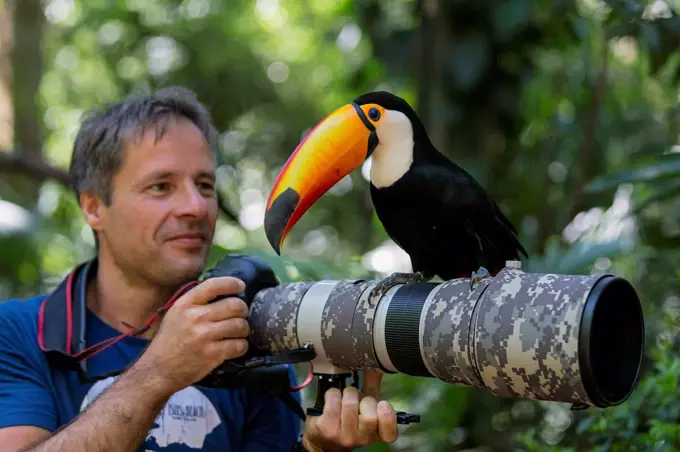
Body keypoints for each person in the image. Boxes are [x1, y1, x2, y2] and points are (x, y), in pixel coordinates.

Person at [0, 86, 399, 451]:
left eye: (205, 186)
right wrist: (160, 371)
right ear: (93, 207)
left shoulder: (248, 332)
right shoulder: (19, 333)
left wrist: (316, 448)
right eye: (161, 186)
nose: (195, 207)